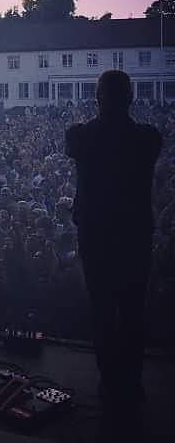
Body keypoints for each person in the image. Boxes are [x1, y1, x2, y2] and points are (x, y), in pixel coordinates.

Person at [65, 70, 162, 409]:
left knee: (103, 310)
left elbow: (74, 139)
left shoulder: (81, 137)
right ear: (131, 98)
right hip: (134, 238)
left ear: (98, 98)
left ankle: (108, 381)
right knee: (134, 310)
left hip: (97, 239)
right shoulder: (149, 139)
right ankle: (133, 383)